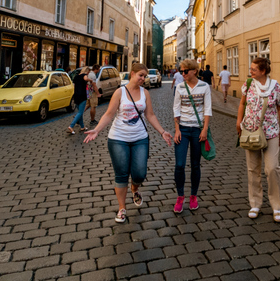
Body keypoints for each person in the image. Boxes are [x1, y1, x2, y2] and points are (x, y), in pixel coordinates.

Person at [84, 63, 173, 223]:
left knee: (140, 173)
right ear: (132, 74)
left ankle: (135, 189)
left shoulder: (145, 93)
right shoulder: (120, 92)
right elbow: (109, 114)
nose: (143, 79)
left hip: (140, 138)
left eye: (144, 76)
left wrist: (162, 131)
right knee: (122, 174)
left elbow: (150, 115)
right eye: (140, 75)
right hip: (118, 139)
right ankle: (121, 208)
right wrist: (97, 130)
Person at [236, 57, 280, 223]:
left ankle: (276, 206)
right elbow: (242, 104)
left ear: (263, 71)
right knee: (253, 169)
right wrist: (238, 121)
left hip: (271, 132)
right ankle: (255, 203)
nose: (250, 72)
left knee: (272, 169)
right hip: (250, 132)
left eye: (254, 69)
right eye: (251, 69)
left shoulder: (275, 86)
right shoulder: (248, 84)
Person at [172, 59, 212, 214]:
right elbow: (176, 108)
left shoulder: (204, 86)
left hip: (197, 130)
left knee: (195, 165)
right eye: (181, 71)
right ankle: (180, 196)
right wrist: (177, 129)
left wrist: (204, 130)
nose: (182, 74)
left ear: (194, 71)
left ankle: (193, 196)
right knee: (179, 165)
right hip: (183, 129)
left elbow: (207, 109)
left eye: (185, 71)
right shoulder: (180, 87)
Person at [68, 67, 90, 134]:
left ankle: (82, 126)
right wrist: (90, 80)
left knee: (80, 112)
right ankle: (71, 126)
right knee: (80, 112)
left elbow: (74, 86)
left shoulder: (76, 77)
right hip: (82, 95)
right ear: (86, 71)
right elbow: (86, 78)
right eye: (88, 72)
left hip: (76, 95)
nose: (88, 74)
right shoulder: (84, 75)